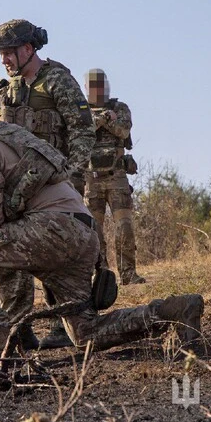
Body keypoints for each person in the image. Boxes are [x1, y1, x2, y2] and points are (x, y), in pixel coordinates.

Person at [0, 86, 203, 361]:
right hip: (82, 233)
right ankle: (172, 312)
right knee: (86, 333)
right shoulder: (12, 136)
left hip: (52, 230)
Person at [0, 19, 97, 348]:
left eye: (8, 53)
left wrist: (69, 175)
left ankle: (65, 325)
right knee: (11, 256)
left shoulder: (57, 80)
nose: (4, 60)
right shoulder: (3, 91)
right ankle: (19, 329)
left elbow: (82, 130)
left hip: (54, 189)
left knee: (56, 257)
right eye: (0, 54)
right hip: (17, 189)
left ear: (28, 49)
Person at [85, 68, 146, 286]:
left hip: (117, 177)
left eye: (100, 85)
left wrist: (107, 120)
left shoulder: (120, 108)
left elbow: (123, 130)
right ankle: (101, 275)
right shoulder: (80, 110)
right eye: (92, 86)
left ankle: (128, 274)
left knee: (125, 226)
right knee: (94, 231)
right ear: (86, 88)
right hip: (91, 180)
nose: (97, 89)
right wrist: (103, 118)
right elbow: (82, 130)